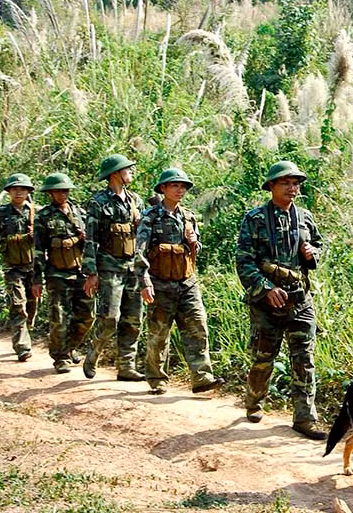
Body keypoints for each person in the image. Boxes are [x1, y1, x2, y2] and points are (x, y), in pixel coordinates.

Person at [235, 161, 327, 440]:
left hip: (300, 299)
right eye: (285, 182)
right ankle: (254, 400)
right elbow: (244, 261)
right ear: (271, 186)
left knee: (304, 359)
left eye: (295, 183)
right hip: (267, 303)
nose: (292, 188)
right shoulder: (255, 219)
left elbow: (320, 248)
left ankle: (304, 417)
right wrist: (265, 289)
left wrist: (314, 254)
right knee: (264, 358)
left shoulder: (305, 218)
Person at [135, 168, 225, 395]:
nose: (180, 190)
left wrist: (193, 242)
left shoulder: (188, 217)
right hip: (160, 283)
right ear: (163, 189)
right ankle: (157, 379)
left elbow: (196, 251)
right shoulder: (150, 217)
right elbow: (139, 252)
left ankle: (202, 377)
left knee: (198, 327)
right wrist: (145, 282)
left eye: (183, 186)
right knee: (158, 334)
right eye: (175, 185)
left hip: (187, 283)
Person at [81, 154, 145, 381]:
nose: (131, 172)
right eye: (128, 169)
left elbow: (142, 237)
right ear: (116, 173)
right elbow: (90, 239)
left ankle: (126, 366)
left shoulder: (136, 200)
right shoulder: (98, 202)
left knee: (134, 318)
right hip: (109, 267)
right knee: (110, 318)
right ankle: (94, 352)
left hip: (132, 268)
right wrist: (91, 272)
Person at [31, 173, 95, 374]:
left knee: (87, 316)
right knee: (59, 318)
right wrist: (36, 279)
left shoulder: (80, 213)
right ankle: (60, 358)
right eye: (58, 191)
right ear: (50, 193)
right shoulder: (44, 217)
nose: (62, 194)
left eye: (65, 190)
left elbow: (93, 243)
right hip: (57, 274)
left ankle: (70, 347)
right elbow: (39, 249)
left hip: (81, 273)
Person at [0, 173, 39, 362]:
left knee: (32, 304)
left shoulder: (37, 213)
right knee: (17, 305)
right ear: (9, 191)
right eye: (15, 189)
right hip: (12, 267)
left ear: (28, 191)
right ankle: (22, 346)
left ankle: (26, 329)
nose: (18, 192)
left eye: (22, 189)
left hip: (33, 266)